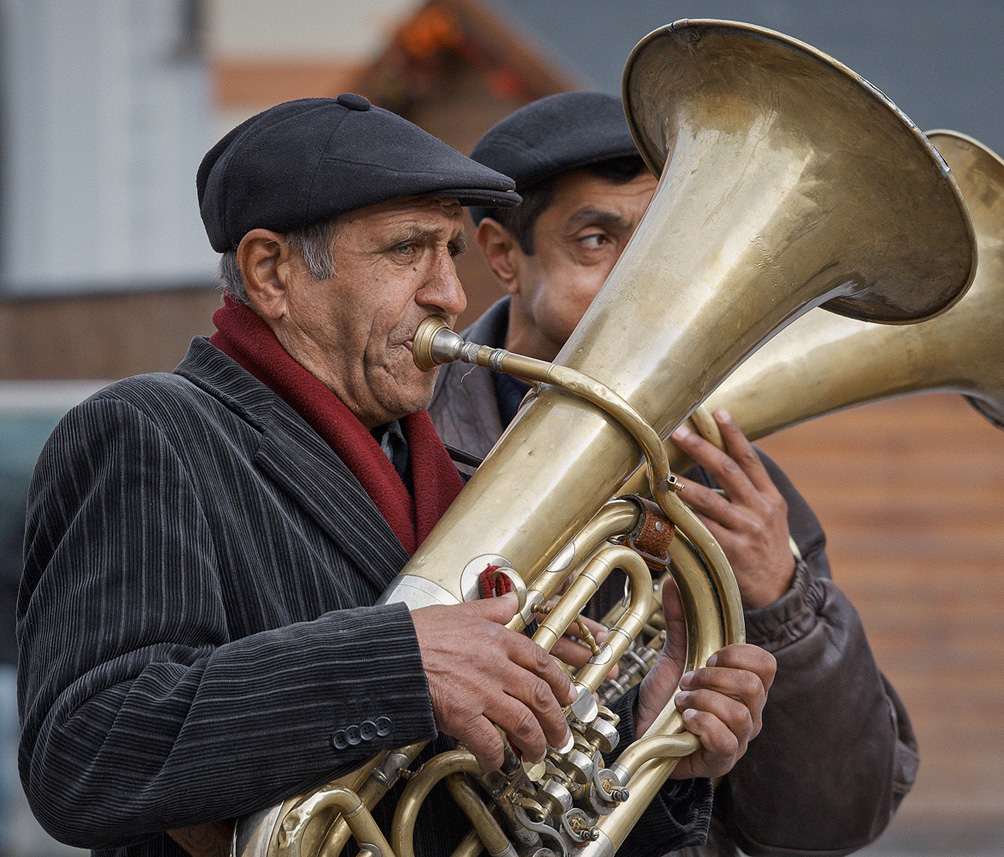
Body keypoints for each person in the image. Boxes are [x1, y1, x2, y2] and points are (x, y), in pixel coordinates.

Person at [17, 94, 775, 857]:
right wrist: (399, 663)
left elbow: (513, 820)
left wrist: (650, 753)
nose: (449, 291)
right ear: (271, 272)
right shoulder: (152, 430)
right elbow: (84, 750)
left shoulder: (459, 471)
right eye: (408, 249)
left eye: (451, 249)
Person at [428, 92, 920, 857]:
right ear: (500, 253)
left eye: (660, 241)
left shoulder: (730, 483)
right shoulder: (410, 440)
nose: (642, 278)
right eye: (597, 239)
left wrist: (783, 602)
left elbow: (836, 821)